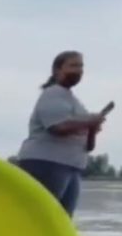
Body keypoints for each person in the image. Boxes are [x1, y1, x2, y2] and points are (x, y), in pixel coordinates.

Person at [14, 50, 107, 216]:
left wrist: (92, 128)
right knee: (42, 215)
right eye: (73, 66)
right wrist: (89, 122)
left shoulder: (74, 101)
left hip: (72, 165)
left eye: (81, 67)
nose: (78, 70)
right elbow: (57, 128)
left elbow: (89, 147)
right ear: (57, 70)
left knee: (62, 219)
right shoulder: (53, 93)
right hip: (47, 163)